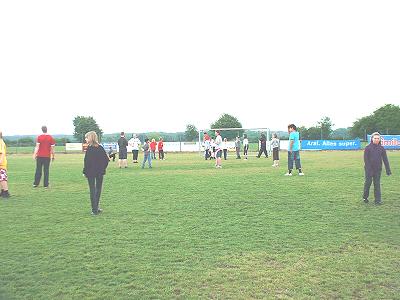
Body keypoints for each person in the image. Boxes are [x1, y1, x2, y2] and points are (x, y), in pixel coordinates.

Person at [83, 131, 109, 215]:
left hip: (91, 173)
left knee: (92, 190)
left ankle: (94, 209)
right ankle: (96, 207)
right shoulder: (100, 148)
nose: (85, 139)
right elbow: (106, 160)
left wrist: (85, 171)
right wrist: (103, 168)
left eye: (86, 138)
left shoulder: (89, 149)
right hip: (100, 172)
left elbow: (87, 162)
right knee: (98, 189)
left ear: (90, 138)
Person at [363, 132, 391, 205]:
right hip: (369, 169)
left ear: (380, 139)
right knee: (368, 183)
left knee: (377, 184)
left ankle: (377, 200)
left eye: (378, 138)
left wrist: (388, 170)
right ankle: (365, 197)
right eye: (375, 138)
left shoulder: (381, 148)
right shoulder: (367, 148)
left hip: (378, 169)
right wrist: (369, 170)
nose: (376, 140)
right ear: (372, 139)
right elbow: (366, 160)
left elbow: (385, 159)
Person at [0, 131, 10, 198]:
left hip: (1, 163)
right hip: (2, 162)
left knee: (2, 178)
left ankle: (6, 192)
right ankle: (3, 191)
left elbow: (2, 153)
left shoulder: (0, 142)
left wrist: (0, 162)